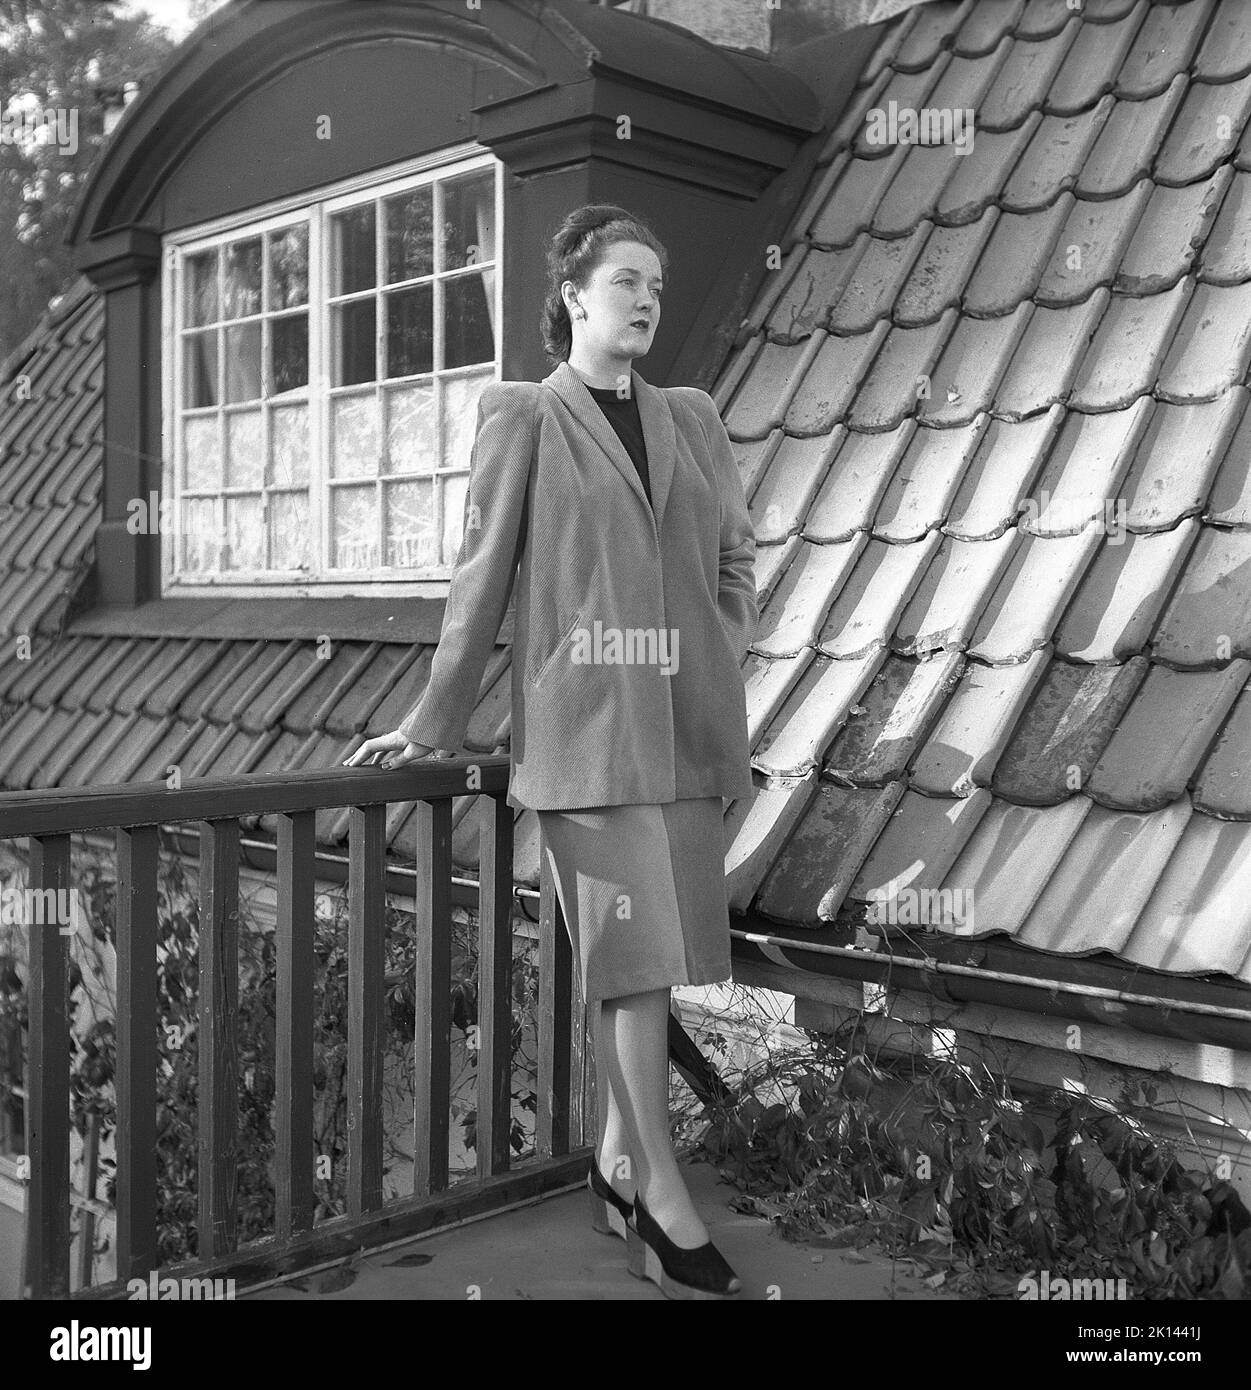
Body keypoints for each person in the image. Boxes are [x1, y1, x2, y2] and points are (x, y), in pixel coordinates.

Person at [344, 203, 758, 1298]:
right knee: (634, 967)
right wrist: (431, 724)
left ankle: (616, 1169)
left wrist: (718, 654)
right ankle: (661, 1201)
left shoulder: (692, 417)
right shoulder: (524, 414)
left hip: (687, 737)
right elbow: (478, 582)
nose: (647, 300)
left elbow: (735, 557)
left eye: (657, 285)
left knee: (657, 968)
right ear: (574, 295)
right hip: (583, 743)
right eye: (626, 280)